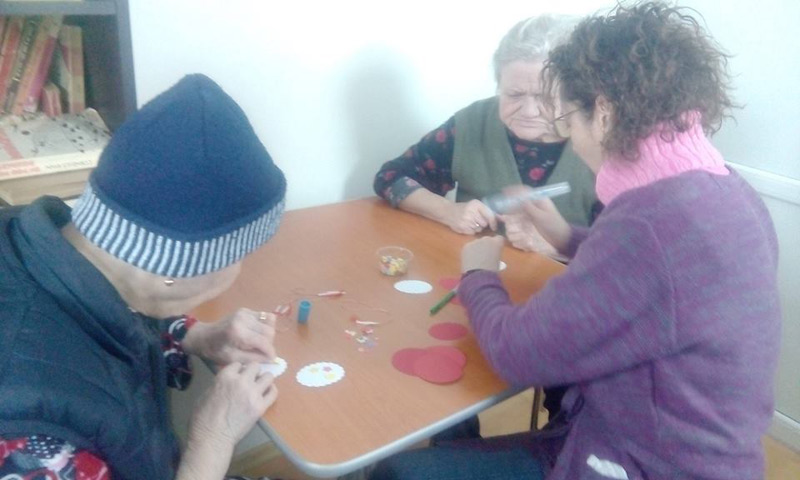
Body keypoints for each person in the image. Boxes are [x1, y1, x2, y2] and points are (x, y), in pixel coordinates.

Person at [369, 2, 781, 479]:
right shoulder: (723, 188)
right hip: (678, 443)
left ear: (602, 114)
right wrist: (565, 237)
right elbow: (653, 278)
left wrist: (478, 274)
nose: (555, 125)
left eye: (563, 113)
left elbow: (516, 353)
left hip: (641, 462)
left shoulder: (648, 223)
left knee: (395, 472)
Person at [0, 74, 287, 480]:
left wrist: (197, 336)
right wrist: (213, 437)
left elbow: (121, 318)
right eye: (239, 255)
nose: (242, 268)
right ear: (175, 271)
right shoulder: (31, 438)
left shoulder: (63, 251)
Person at [373, 14, 600, 257]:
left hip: (566, 277)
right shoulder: (474, 122)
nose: (529, 111)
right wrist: (448, 211)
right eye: (514, 94)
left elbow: (621, 250)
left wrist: (557, 248)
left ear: (572, 92)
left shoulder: (599, 141)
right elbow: (391, 177)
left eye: (544, 97)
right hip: (471, 268)